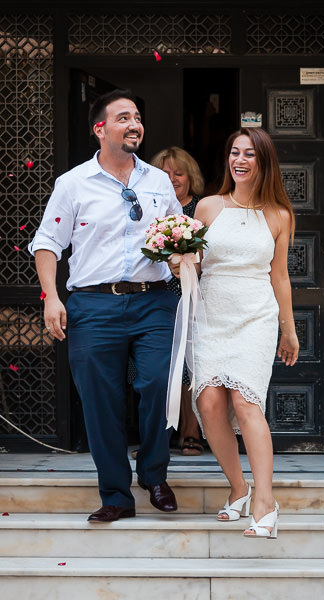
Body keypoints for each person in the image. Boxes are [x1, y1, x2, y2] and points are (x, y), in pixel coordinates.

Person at [28, 89, 182, 522]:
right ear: (100, 129)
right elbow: (47, 243)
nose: (134, 124)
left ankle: (154, 474)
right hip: (93, 306)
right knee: (100, 400)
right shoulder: (73, 183)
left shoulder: (158, 182)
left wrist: (183, 254)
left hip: (154, 301)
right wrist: (52, 298)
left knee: (157, 385)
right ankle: (116, 494)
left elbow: (175, 234)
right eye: (123, 118)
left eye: (137, 117)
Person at [170, 127, 299, 538]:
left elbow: (280, 277)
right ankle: (238, 488)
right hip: (211, 314)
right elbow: (195, 264)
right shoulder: (207, 207)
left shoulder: (280, 215)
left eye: (249, 154)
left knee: (245, 402)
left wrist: (288, 330)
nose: (239, 160)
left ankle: (265, 500)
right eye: (234, 153)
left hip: (255, 315)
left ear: (264, 161)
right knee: (208, 403)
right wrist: (179, 262)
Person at [151, 146, 205, 456]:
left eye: (178, 173)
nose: (172, 179)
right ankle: (156, 438)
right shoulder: (151, 209)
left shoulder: (202, 209)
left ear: (191, 177)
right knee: (156, 368)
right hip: (157, 294)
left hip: (193, 294)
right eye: (165, 174)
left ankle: (190, 432)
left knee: (190, 365)